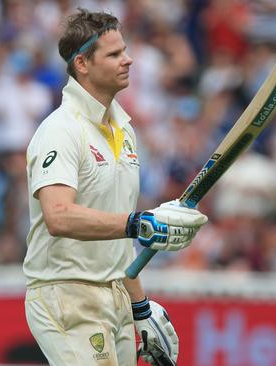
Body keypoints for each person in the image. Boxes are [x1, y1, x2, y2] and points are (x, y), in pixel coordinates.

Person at [23, 9, 208, 366]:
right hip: (66, 293)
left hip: (117, 295)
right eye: (114, 54)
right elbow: (58, 216)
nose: (129, 60)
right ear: (82, 63)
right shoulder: (60, 130)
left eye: (124, 50)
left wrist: (139, 307)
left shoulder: (123, 131)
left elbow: (120, 239)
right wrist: (138, 222)